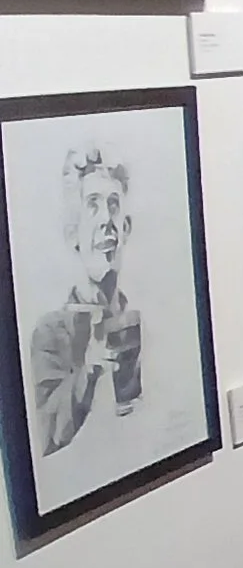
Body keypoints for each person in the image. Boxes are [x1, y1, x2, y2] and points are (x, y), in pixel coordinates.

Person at [28, 146, 142, 455]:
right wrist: (89, 372)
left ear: (126, 228)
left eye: (113, 205)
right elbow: (46, 434)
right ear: (72, 234)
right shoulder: (50, 333)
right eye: (93, 205)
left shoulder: (138, 321)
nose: (106, 219)